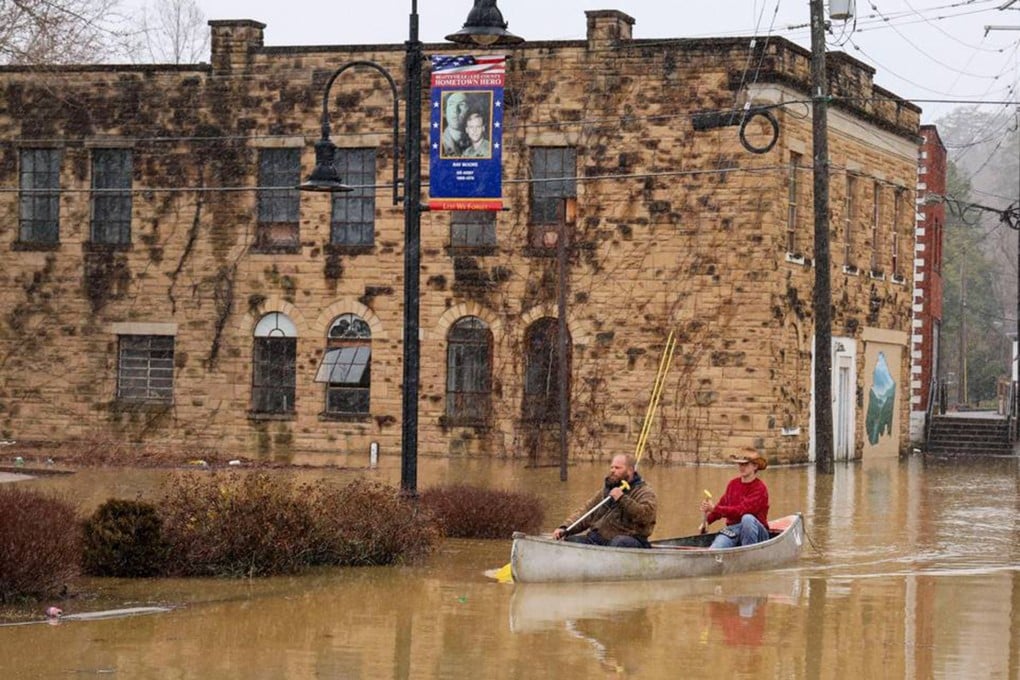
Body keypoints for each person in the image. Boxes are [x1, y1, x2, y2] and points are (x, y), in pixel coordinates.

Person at [552, 453, 657, 548]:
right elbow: (587, 512)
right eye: (612, 467)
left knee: (619, 542)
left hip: (629, 540)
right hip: (599, 539)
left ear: (630, 470)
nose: (612, 470)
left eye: (617, 468)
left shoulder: (644, 492)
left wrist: (622, 499)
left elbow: (646, 517)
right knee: (570, 542)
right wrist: (565, 528)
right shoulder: (607, 490)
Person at [700, 449, 770, 549]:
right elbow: (722, 506)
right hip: (733, 530)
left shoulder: (760, 488)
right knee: (715, 548)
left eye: (745, 464)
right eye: (740, 465)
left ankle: (749, 554)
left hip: (758, 534)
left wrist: (714, 508)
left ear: (755, 466)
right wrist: (707, 521)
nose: (742, 467)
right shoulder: (733, 484)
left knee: (747, 518)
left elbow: (741, 511)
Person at [441, 92, 470, 157]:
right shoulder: (439, 144)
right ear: (444, 112)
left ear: (469, 111)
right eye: (451, 104)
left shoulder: (477, 142)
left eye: (462, 104)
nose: (456, 110)